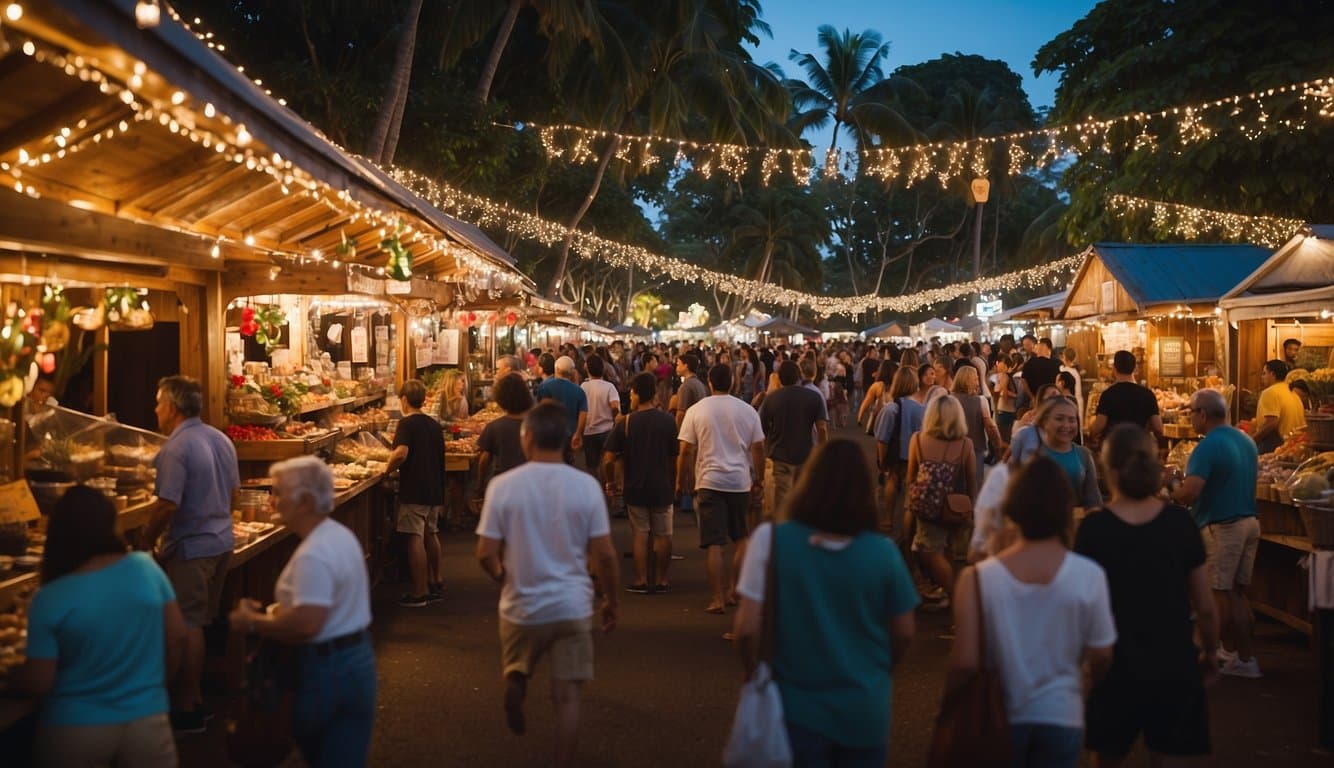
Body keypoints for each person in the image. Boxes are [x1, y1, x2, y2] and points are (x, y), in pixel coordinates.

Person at [731, 440, 918, 765]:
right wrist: (880, 667)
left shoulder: (771, 540)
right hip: (864, 708)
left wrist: (752, 670)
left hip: (794, 710)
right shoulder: (884, 553)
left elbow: (747, 628)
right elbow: (904, 631)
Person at [475, 403, 620, 768]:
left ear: (527, 438)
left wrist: (501, 576)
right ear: (568, 442)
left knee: (519, 661)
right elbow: (604, 555)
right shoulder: (586, 487)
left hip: (521, 604)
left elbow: (484, 553)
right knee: (568, 696)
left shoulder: (502, 486)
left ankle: (517, 679)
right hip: (572, 605)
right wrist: (611, 601)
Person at [947, 457, 1117, 768]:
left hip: (997, 712)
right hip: (1060, 712)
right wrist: (1085, 683)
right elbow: (1102, 653)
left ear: (1013, 507)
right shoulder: (1088, 575)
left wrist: (949, 705)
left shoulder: (978, 579)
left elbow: (964, 662)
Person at [1077, 425, 1219, 766]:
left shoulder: (1094, 529)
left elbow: (1081, 607)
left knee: (1106, 757)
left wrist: (1084, 665)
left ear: (1108, 472)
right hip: (1173, 660)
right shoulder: (1179, 524)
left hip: (1112, 664)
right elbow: (1205, 605)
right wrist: (1210, 651)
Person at [21, 487, 185, 768]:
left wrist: (13, 680)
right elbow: (178, 637)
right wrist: (153, 687)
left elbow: (39, 681)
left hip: (73, 730)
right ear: (112, 525)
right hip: (147, 723)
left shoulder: (48, 598)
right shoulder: (146, 568)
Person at [228, 457, 376, 768]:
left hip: (327, 669)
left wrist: (251, 622)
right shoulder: (338, 535)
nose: (272, 500)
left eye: (279, 493)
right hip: (356, 658)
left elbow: (307, 624)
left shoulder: (314, 554)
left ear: (306, 501)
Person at [139, 375, 237, 733]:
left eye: (158, 402)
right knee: (201, 620)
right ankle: (195, 699)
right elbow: (233, 493)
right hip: (222, 541)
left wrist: (145, 541)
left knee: (188, 625)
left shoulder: (176, 448)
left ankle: (188, 704)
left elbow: (166, 504)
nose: (155, 409)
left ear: (173, 408)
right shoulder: (220, 439)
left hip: (193, 547)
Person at [1170, 388, 1263, 678]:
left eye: (1191, 413)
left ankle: (1206, 653)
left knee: (1219, 593)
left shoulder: (1208, 446)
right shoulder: (1245, 440)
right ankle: (1241, 655)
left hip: (1224, 525)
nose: (1190, 418)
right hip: (1249, 521)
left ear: (1202, 414)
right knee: (1236, 593)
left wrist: (1172, 484)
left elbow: (1190, 494)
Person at [677, 363, 765, 616]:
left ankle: (717, 598)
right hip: (740, 481)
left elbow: (685, 449)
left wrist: (681, 478)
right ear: (733, 383)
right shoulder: (747, 411)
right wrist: (758, 477)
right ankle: (735, 588)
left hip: (709, 481)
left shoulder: (697, 410)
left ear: (711, 384)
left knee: (714, 543)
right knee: (741, 537)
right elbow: (757, 448)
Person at [604, 372, 678, 593]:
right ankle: (663, 579)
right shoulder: (667, 421)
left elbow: (608, 459)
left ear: (635, 394)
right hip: (662, 484)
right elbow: (674, 457)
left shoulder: (625, 423)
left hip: (635, 485)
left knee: (640, 533)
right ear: (654, 394)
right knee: (663, 534)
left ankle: (642, 579)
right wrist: (674, 482)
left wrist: (611, 482)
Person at [905, 395, 978, 607]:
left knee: (928, 552)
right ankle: (948, 594)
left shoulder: (917, 440)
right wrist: (970, 508)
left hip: (926, 507)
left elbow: (911, 477)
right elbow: (971, 479)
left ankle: (956, 597)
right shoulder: (965, 444)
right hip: (955, 508)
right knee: (948, 551)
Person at [387, 379, 446, 607]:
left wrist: (386, 470)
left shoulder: (407, 424)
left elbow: (401, 453)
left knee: (414, 537)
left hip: (415, 489)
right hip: (434, 488)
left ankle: (420, 592)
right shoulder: (433, 424)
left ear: (403, 400)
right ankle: (435, 580)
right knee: (431, 534)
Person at [757, 360, 829, 523]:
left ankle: (785, 537)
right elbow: (822, 428)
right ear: (799, 377)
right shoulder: (814, 397)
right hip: (806, 456)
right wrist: (822, 452)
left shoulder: (771, 399)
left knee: (783, 504)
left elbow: (762, 431)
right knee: (805, 498)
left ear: (779, 378)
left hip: (780, 457)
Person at [1012, 396, 1102, 511]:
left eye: (1072, 420)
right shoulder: (1035, 457)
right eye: (1059, 419)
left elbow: (1093, 498)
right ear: (1044, 422)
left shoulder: (1083, 454)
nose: (1066, 425)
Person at [477, 373, 535, 498]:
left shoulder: (494, 427)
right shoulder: (537, 424)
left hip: (502, 484)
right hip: (532, 483)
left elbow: (484, 460)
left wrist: (480, 485)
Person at [1089, 351, 1164, 443]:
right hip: (1140, 449)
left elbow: (1099, 426)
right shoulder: (1148, 394)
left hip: (1114, 448)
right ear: (1134, 369)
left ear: (1114, 368)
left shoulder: (1108, 395)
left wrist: (1091, 435)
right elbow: (1158, 428)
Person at [537, 355, 589, 461]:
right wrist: (578, 433)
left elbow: (540, 410)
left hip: (550, 434)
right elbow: (583, 414)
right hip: (571, 435)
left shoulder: (544, 386)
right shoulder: (579, 391)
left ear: (556, 369)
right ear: (572, 372)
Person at [951, 365, 1003, 471]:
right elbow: (990, 427)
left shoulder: (948, 399)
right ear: (969, 381)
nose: (978, 381)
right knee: (975, 482)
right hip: (975, 448)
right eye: (976, 378)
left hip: (952, 449)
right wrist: (998, 448)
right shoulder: (980, 401)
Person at [579, 354, 620, 482]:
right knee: (607, 461)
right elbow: (615, 407)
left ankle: (595, 487)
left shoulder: (583, 387)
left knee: (592, 465)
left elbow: (580, 410)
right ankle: (607, 486)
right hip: (606, 430)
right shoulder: (609, 387)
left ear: (588, 370)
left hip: (588, 431)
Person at [1253, 359, 1306, 454]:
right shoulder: (1293, 393)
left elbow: (1272, 422)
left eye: (1264, 373)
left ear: (1272, 374)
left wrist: (1252, 440)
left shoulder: (1270, 392)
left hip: (1277, 447)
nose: (1262, 377)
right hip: (1295, 446)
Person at [858, 359, 899, 434]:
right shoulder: (897, 386)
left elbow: (866, 402)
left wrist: (859, 418)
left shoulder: (877, 385)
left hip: (880, 420)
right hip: (894, 419)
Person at [674, 352, 708, 428]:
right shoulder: (699, 383)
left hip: (689, 427)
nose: (676, 368)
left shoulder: (686, 386)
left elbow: (680, 414)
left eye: (678, 365)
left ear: (685, 366)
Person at [994, 353, 1020, 442]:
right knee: (1008, 437)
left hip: (1004, 410)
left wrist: (1004, 393)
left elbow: (1004, 393)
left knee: (1003, 437)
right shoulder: (1005, 376)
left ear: (1005, 365)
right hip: (1009, 410)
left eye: (1000, 362)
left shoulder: (1004, 376)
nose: (997, 364)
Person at [1059, 347, 1085, 430]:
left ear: (1064, 357)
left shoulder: (1064, 370)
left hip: (1070, 402)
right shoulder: (1075, 370)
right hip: (1078, 400)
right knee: (1077, 426)